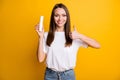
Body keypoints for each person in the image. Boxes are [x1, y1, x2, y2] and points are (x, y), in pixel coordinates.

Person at [35, 3, 100, 80]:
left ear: (67, 17)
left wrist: (80, 36)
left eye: (63, 15)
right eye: (56, 15)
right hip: (50, 75)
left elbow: (97, 45)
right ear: (53, 17)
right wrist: (41, 37)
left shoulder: (74, 35)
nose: (60, 19)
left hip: (68, 76)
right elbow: (40, 59)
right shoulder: (46, 35)